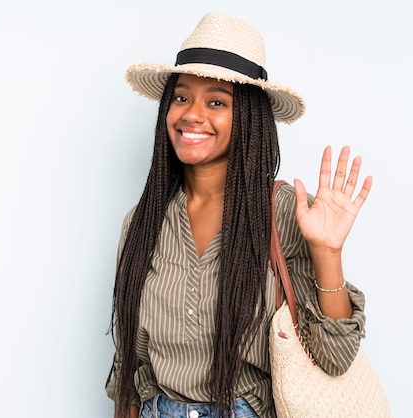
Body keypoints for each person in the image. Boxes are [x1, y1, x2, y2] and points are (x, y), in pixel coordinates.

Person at [105, 12, 372, 418]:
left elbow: (334, 357)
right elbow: (129, 366)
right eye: (181, 97)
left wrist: (327, 252)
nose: (192, 114)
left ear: (247, 117)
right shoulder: (143, 222)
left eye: (216, 101)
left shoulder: (284, 213)